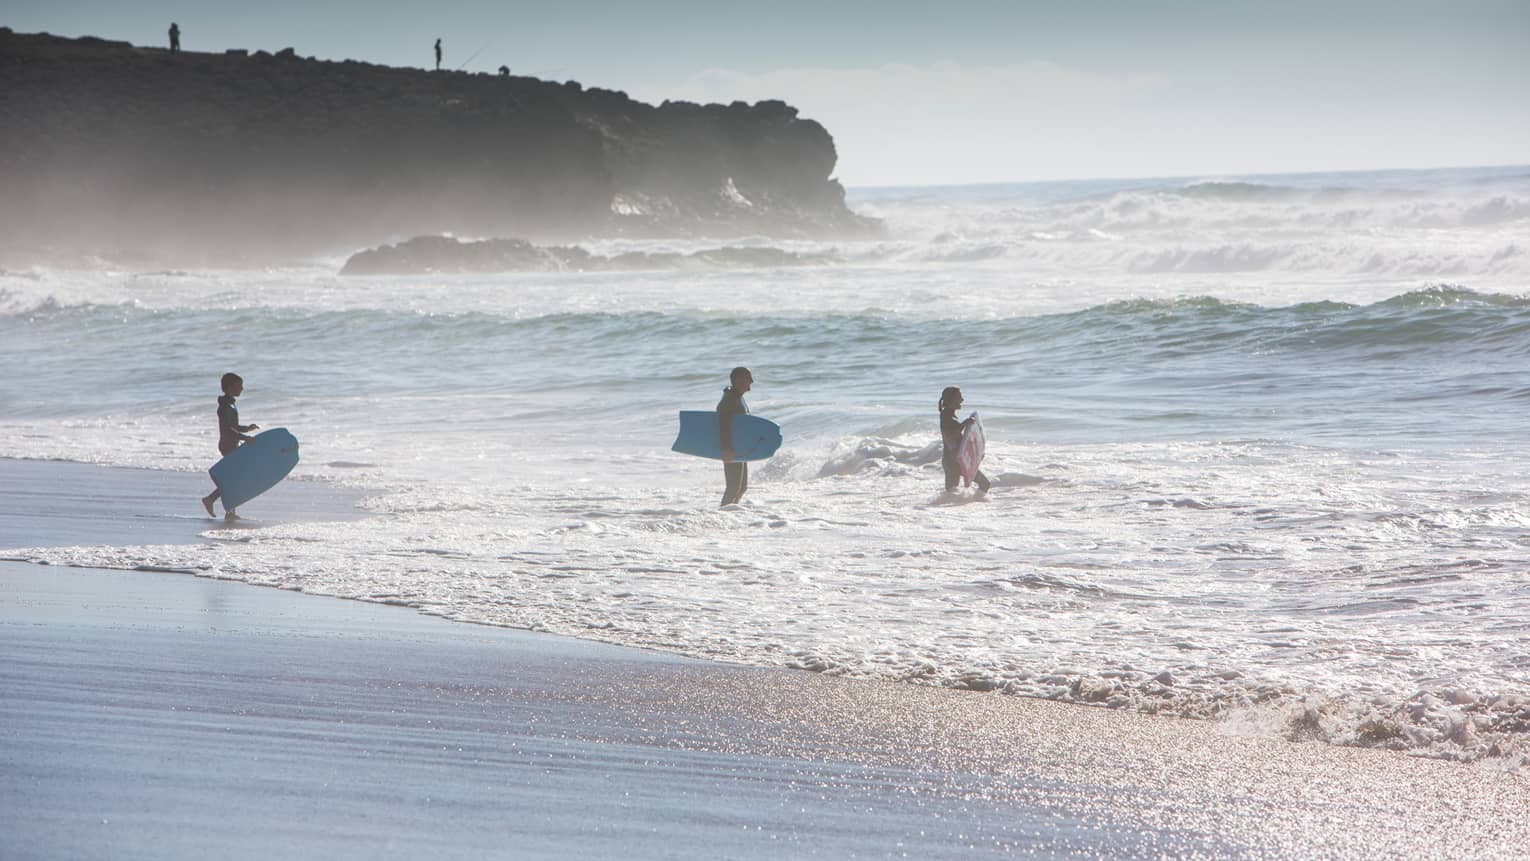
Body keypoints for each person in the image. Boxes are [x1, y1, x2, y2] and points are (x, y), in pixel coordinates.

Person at [201, 373, 259, 519]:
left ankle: (228, 511)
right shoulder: (225, 406)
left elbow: (233, 426)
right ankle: (213, 502)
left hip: (231, 443)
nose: (242, 388)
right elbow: (228, 430)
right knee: (235, 478)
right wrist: (245, 438)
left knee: (235, 478)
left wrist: (247, 428)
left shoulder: (230, 404)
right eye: (239, 385)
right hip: (228, 444)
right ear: (230, 387)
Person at [939, 386, 990, 494]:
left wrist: (977, 453)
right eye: (959, 397)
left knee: (951, 493)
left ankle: (950, 508)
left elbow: (958, 441)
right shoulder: (946, 416)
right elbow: (951, 434)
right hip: (956, 461)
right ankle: (978, 505)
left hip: (951, 460)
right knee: (985, 484)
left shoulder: (948, 415)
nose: (962, 400)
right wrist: (964, 424)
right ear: (951, 400)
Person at [718, 366, 753, 506]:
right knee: (733, 488)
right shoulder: (729, 399)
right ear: (739, 380)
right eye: (748, 378)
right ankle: (722, 515)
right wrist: (726, 448)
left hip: (739, 448)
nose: (752, 381)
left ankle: (732, 513)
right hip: (731, 448)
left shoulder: (737, 398)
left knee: (741, 488)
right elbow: (723, 425)